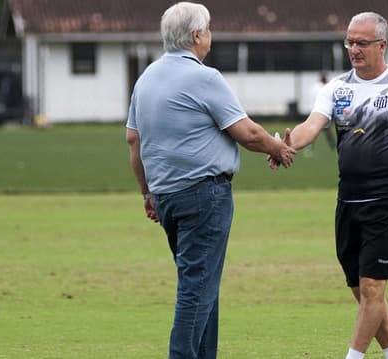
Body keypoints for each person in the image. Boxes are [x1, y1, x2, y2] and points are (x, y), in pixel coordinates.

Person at [125, 2, 295, 358]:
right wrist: (277, 148)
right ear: (197, 35)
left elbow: (134, 141)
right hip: (204, 195)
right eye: (209, 29)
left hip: (167, 196)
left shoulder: (146, 79)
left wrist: (147, 192)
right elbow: (247, 133)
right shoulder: (205, 77)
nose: (210, 36)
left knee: (202, 285)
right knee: (196, 289)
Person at [270, 12, 388, 359]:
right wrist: (286, 145)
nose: (354, 49)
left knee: (372, 288)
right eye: (349, 42)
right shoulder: (336, 88)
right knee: (361, 290)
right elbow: (311, 126)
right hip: (348, 199)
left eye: (362, 43)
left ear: (382, 45)